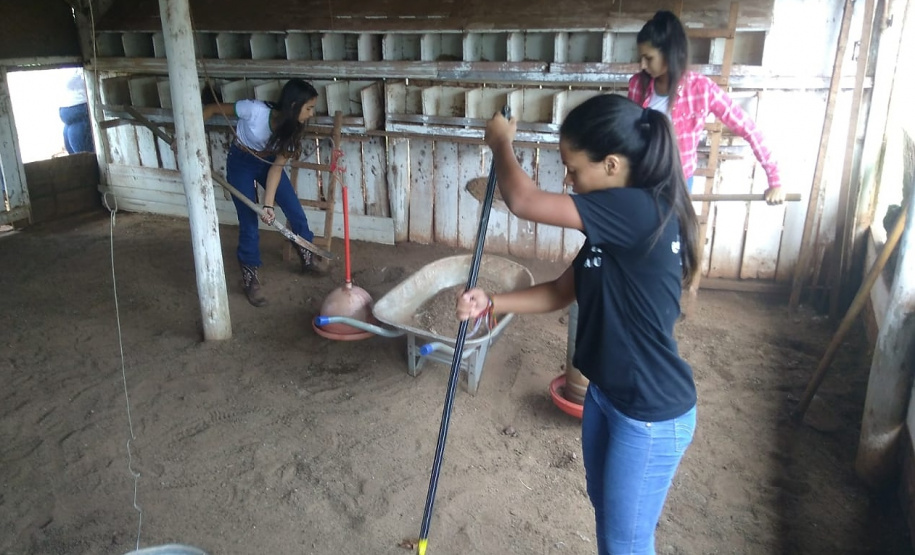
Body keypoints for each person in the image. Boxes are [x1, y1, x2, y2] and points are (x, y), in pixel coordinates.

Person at [457, 94, 700, 554]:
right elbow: (561, 291)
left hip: (648, 410)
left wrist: (501, 143)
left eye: (573, 169)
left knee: (624, 544)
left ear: (611, 165)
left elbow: (523, 200)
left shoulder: (637, 209)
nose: (567, 180)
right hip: (608, 394)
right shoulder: (613, 223)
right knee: (609, 521)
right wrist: (493, 301)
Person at [630, 10, 785, 205]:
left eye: (649, 58)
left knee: (674, 235)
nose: (642, 65)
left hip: (678, 184)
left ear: (669, 53)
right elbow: (628, 134)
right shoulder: (637, 85)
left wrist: (775, 180)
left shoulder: (701, 89)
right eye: (640, 58)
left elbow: (748, 128)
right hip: (641, 180)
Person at [202, 78, 322, 307]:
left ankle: (307, 254)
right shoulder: (254, 110)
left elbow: (276, 168)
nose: (311, 114)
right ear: (294, 105)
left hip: (268, 163)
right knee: (248, 220)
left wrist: (268, 206)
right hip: (241, 162)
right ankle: (250, 277)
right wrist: (186, 136)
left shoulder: (293, 129)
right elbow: (211, 109)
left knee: (294, 210)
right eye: (309, 108)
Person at [59, 68, 95, 154]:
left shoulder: (80, 68)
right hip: (71, 112)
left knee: (84, 157)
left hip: (81, 107)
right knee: (76, 157)